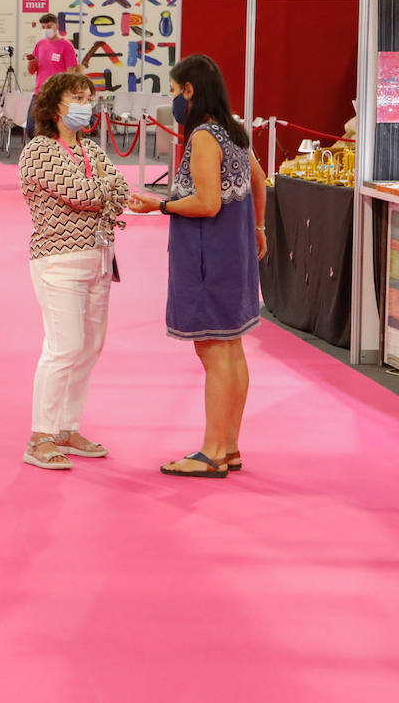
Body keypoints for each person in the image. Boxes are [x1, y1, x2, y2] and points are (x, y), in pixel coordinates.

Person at [127, 54, 267, 479]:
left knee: (214, 350)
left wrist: (159, 204)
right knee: (232, 347)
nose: (174, 102)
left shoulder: (206, 136)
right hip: (235, 251)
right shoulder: (235, 131)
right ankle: (229, 445)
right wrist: (258, 227)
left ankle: (211, 452)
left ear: (190, 91)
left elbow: (206, 203)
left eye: (174, 92)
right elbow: (259, 180)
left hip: (209, 256)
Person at [17, 72, 129, 471]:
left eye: (88, 96)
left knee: (88, 348)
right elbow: (81, 195)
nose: (85, 103)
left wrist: (102, 189)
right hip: (58, 261)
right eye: (76, 97)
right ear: (54, 106)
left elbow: (122, 192)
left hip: (99, 260)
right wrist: (102, 190)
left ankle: (66, 426)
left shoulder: (91, 151)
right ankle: (40, 435)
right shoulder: (39, 151)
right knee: (63, 347)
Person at [25, 14, 81, 136]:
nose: (46, 30)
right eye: (44, 27)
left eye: (49, 26)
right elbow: (31, 71)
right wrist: (32, 63)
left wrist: (67, 94)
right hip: (39, 92)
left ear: (56, 26)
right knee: (30, 128)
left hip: (57, 94)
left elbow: (71, 72)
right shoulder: (40, 44)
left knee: (54, 128)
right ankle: (40, 150)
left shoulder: (66, 45)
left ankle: (54, 151)